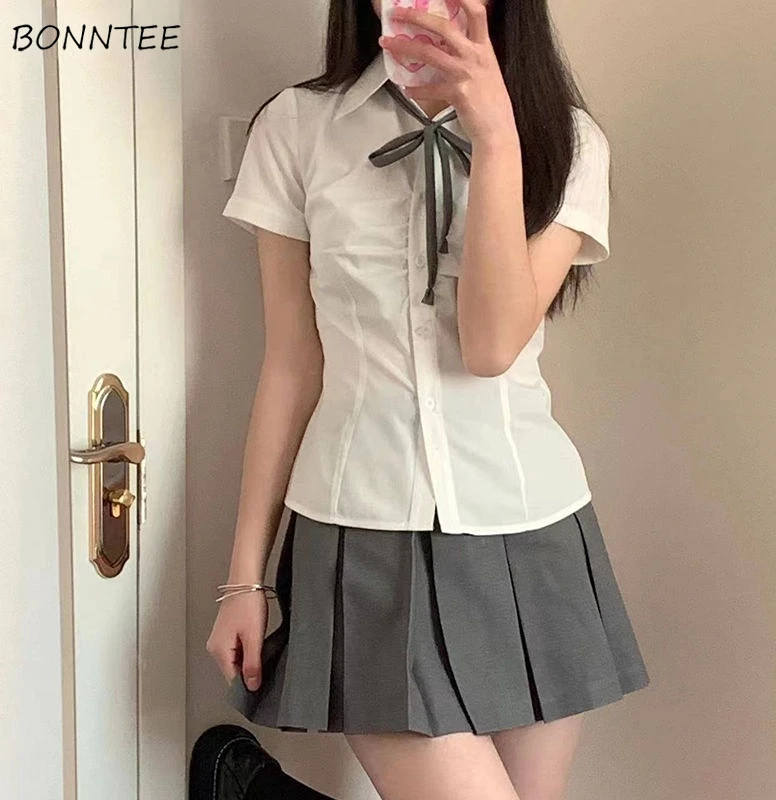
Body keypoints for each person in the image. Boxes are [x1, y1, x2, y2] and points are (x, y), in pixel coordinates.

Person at [208, 0, 651, 798]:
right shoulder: (298, 127)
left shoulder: (568, 141)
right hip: (362, 536)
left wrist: (498, 137)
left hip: (532, 532)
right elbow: (292, 364)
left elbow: (490, 347)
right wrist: (246, 578)